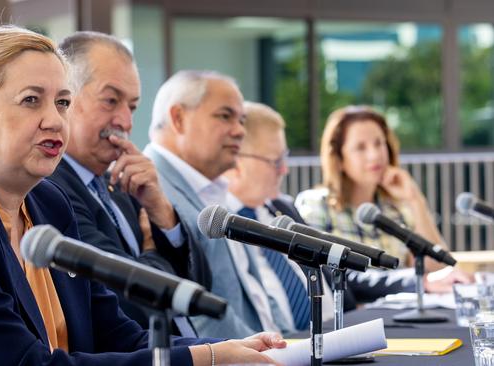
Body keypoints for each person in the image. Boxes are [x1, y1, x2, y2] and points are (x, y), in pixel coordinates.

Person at [0, 26, 286, 366]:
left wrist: (226, 352)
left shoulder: (48, 203)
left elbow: (116, 333)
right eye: (31, 101)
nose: (54, 120)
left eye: (63, 102)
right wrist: (205, 358)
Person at [47, 31, 209, 336]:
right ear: (65, 100)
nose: (125, 120)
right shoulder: (51, 189)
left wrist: (161, 210)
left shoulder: (124, 181)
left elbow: (202, 288)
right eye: (111, 100)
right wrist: (151, 253)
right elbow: (130, 300)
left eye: (132, 106)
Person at [145, 70, 292, 338]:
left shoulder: (211, 187)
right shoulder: (151, 189)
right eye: (225, 116)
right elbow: (197, 314)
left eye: (242, 120)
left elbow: (254, 290)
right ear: (178, 118)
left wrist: (289, 338)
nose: (239, 131)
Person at [296, 105, 471, 296]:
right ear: (338, 158)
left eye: (379, 143)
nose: (375, 155)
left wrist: (415, 199)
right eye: (360, 147)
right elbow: (322, 279)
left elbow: (437, 268)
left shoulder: (395, 210)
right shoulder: (316, 205)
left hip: (401, 318)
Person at [223, 101, 334, 330]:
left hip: (334, 339)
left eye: (285, 158)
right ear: (236, 161)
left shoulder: (284, 209)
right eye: (275, 161)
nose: (285, 169)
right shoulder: (218, 227)